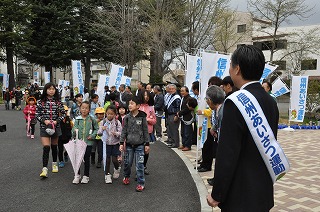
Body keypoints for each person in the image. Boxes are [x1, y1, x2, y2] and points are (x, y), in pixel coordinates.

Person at [207, 45, 279, 211]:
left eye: (231, 64)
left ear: (237, 69)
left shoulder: (235, 102)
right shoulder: (270, 101)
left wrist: (217, 194)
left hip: (239, 195)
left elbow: (227, 153)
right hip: (263, 192)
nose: (230, 69)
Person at [36, 82, 66, 178]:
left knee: (54, 146)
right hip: (44, 127)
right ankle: (44, 168)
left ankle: (54, 163)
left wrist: (57, 121)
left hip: (55, 127)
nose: (51, 90)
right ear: (45, 90)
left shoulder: (58, 102)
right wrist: (44, 121)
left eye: (53, 89)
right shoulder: (40, 102)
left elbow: (64, 114)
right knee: (46, 147)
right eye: (49, 89)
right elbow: (37, 114)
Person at [119, 96, 149, 192]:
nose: (130, 105)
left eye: (132, 103)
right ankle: (126, 176)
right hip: (128, 145)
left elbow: (145, 130)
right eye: (129, 103)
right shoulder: (127, 117)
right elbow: (124, 131)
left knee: (139, 165)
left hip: (140, 145)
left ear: (138, 106)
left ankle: (141, 183)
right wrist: (121, 142)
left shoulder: (142, 116)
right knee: (127, 163)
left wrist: (147, 144)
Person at [72, 101, 98, 184]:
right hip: (78, 142)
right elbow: (74, 128)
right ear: (80, 109)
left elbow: (96, 129)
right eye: (82, 108)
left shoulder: (92, 119)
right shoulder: (77, 119)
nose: (84, 110)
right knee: (78, 159)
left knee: (87, 159)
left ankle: (86, 176)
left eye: (86, 108)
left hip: (88, 143)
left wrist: (93, 135)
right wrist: (74, 132)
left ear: (89, 110)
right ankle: (77, 175)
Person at [97, 105, 122, 184]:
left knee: (114, 160)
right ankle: (107, 175)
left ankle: (117, 168)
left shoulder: (117, 122)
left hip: (115, 143)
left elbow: (121, 133)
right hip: (106, 144)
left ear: (115, 114)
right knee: (107, 160)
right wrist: (101, 129)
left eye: (111, 114)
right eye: (108, 114)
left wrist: (116, 133)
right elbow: (99, 133)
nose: (109, 115)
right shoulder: (103, 122)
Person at [138, 89, 156, 175]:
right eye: (144, 95)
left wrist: (147, 119)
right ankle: (139, 168)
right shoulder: (138, 106)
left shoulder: (151, 108)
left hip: (148, 132)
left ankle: (144, 166)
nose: (146, 97)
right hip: (137, 132)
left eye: (147, 95)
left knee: (146, 150)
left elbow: (154, 121)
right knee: (138, 150)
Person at [177, 86, 193, 151]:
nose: (182, 92)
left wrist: (179, 113)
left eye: (183, 91)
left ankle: (188, 145)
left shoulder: (189, 99)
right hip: (183, 118)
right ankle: (184, 144)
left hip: (188, 118)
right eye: (181, 91)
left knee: (187, 132)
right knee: (183, 132)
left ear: (187, 91)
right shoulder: (183, 98)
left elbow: (187, 109)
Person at [166, 84, 181, 148]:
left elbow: (178, 107)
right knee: (171, 129)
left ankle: (176, 143)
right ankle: (172, 141)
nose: (171, 90)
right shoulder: (171, 96)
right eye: (170, 89)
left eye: (172, 89)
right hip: (169, 114)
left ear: (175, 89)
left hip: (173, 115)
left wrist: (176, 115)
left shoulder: (177, 97)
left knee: (174, 129)